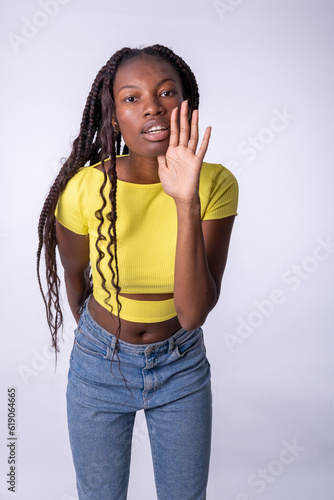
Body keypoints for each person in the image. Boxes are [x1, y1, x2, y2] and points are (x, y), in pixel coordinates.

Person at [37, 44, 238, 500]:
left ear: (186, 105)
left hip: (181, 366)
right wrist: (101, 340)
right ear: (112, 118)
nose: (152, 105)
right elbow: (74, 277)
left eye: (167, 92)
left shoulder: (216, 184)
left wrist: (185, 201)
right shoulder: (84, 189)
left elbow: (191, 313)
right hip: (98, 365)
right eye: (132, 97)